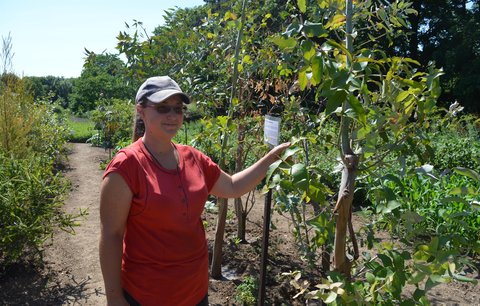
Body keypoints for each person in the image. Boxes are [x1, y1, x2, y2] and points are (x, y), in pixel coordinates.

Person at [99, 76, 290, 306]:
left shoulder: (193, 157)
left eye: (178, 109)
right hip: (147, 295)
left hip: (195, 292)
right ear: (141, 110)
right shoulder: (127, 166)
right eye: (162, 108)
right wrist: (114, 298)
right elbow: (111, 236)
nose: (172, 115)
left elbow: (232, 186)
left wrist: (271, 159)